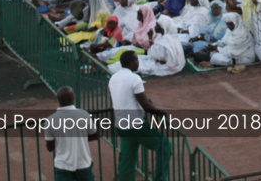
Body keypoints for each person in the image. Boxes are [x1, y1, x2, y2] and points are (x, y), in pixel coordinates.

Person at [108, 51, 171, 181]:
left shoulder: (113, 78)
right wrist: (162, 113)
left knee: (127, 158)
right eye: (136, 60)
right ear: (131, 62)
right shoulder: (134, 78)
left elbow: (128, 99)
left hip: (121, 125)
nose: (138, 63)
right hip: (135, 125)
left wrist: (146, 103)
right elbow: (145, 105)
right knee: (164, 146)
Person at [44, 86, 98, 181]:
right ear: (71, 98)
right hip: (83, 163)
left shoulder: (50, 120)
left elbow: (49, 147)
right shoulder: (84, 115)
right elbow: (94, 135)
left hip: (62, 166)